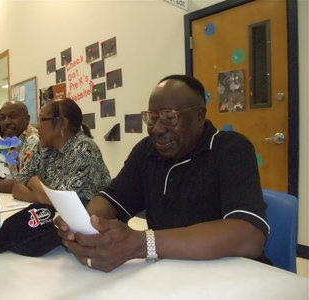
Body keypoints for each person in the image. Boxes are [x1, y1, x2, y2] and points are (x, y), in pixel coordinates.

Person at [55, 75, 270, 272]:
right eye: (151, 117)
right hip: (168, 275)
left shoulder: (231, 149)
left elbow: (249, 236)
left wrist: (141, 243)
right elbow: (112, 199)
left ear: (199, 116)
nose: (156, 128)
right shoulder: (147, 150)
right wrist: (86, 227)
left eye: (169, 117)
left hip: (232, 276)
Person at [12, 98, 111, 206]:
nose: (37, 126)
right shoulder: (42, 146)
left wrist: (35, 182)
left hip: (90, 220)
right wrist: (44, 196)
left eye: (42, 119)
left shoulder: (84, 149)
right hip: (57, 216)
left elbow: (64, 203)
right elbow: (17, 187)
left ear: (62, 123)